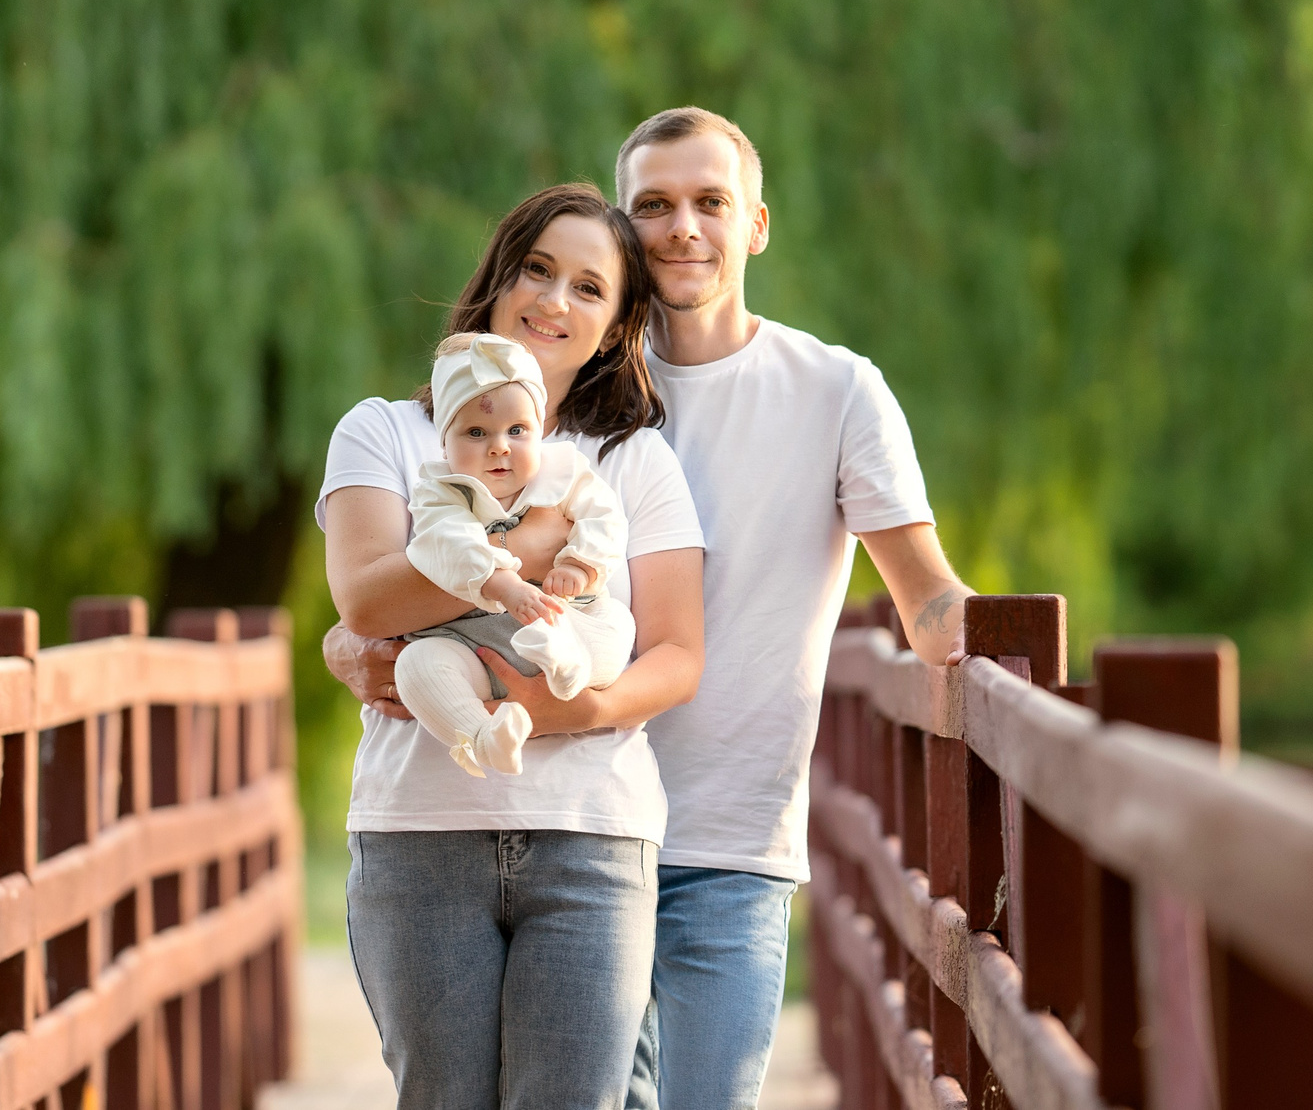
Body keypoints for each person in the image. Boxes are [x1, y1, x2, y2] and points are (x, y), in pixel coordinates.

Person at [325, 108, 975, 1110]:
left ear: (755, 222)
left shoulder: (811, 396)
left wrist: (1005, 675)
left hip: (710, 836)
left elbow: (923, 598)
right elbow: (376, 586)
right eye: (655, 207)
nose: (682, 228)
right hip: (540, 819)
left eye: (709, 202)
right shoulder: (528, 411)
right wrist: (355, 636)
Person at [321, 183, 708, 1110]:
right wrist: (527, 546)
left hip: (593, 837)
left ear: (617, 326)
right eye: (537, 270)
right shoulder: (384, 431)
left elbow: (677, 653)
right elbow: (368, 599)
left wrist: (558, 711)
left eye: (588, 287)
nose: (552, 301)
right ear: (497, 280)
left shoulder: (632, 460)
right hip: (419, 832)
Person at [395, 330, 637, 775]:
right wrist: (503, 584)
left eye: (517, 430)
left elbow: (604, 517)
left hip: (560, 618)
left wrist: (579, 565)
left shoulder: (564, 471)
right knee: (416, 665)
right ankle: (483, 736)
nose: (499, 446)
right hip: (470, 638)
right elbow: (449, 543)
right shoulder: (440, 493)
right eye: (475, 432)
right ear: (444, 443)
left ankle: (570, 662)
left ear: (540, 430)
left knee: (619, 625)